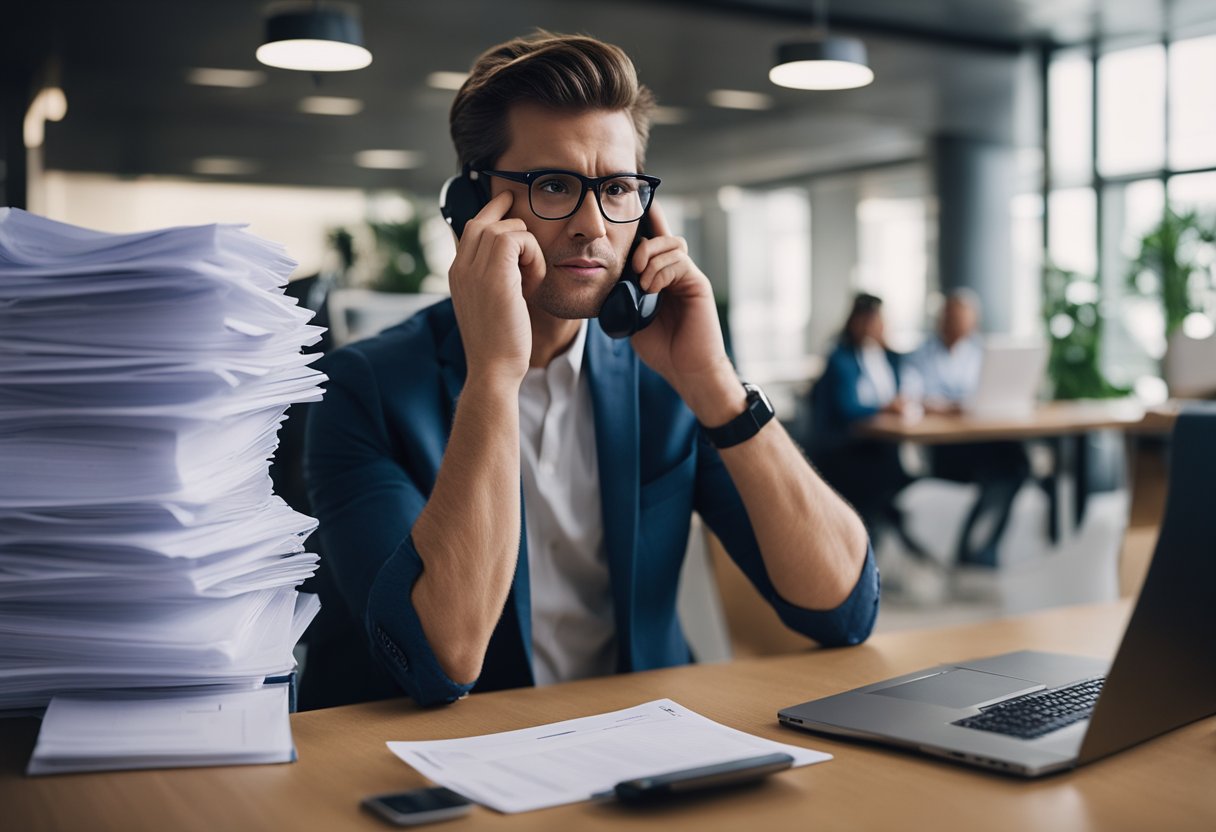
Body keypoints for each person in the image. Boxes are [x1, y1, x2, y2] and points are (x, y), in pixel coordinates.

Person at [302, 32, 879, 709]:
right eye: (553, 186)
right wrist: (494, 374)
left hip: (641, 755)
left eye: (617, 189)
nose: (592, 225)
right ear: (471, 207)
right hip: (449, 766)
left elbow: (843, 609)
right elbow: (438, 660)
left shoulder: (668, 377)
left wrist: (716, 385)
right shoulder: (360, 390)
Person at [908, 290, 1029, 567]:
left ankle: (979, 546)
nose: (957, 325)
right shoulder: (921, 355)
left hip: (979, 440)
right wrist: (949, 407)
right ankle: (976, 548)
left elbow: (990, 392)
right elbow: (912, 398)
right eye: (951, 318)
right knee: (1009, 468)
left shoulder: (982, 353)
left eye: (964, 319)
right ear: (940, 320)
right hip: (944, 449)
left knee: (1014, 463)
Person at [806, 293, 922, 556]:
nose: (874, 326)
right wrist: (884, 407)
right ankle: (879, 541)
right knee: (881, 479)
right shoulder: (841, 358)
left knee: (890, 472)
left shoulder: (889, 357)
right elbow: (848, 407)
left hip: (881, 445)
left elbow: (908, 388)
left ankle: (887, 537)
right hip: (845, 448)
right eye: (868, 320)